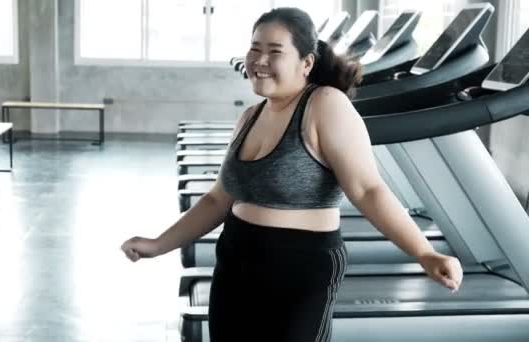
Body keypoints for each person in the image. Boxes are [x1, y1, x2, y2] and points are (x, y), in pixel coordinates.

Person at [122, 7, 463, 342]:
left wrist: (424, 253)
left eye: (274, 52)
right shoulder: (250, 117)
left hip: (301, 266)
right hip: (236, 258)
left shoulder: (324, 105)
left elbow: (368, 190)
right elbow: (217, 199)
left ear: (307, 62)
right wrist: (158, 245)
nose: (259, 60)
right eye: (254, 49)